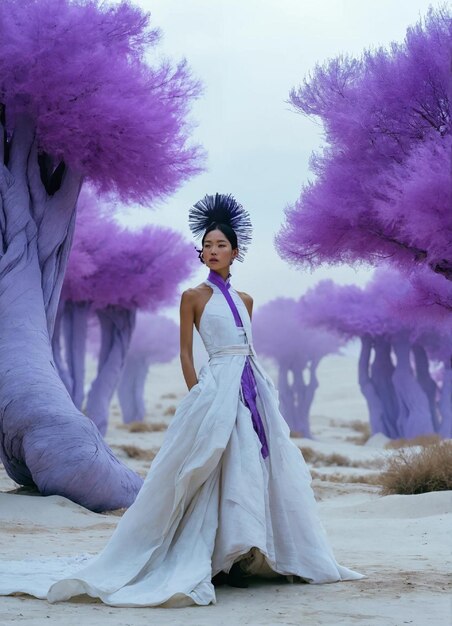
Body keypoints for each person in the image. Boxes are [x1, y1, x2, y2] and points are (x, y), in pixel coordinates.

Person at [0, 193, 363, 607]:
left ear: (235, 252)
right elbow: (187, 353)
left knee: (253, 467)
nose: (212, 252)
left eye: (220, 245)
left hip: (252, 387)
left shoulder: (246, 300)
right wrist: (200, 393)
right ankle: (218, 558)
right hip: (216, 390)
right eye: (207, 246)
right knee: (210, 468)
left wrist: (256, 389)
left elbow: (247, 347)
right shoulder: (193, 297)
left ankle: (248, 553)